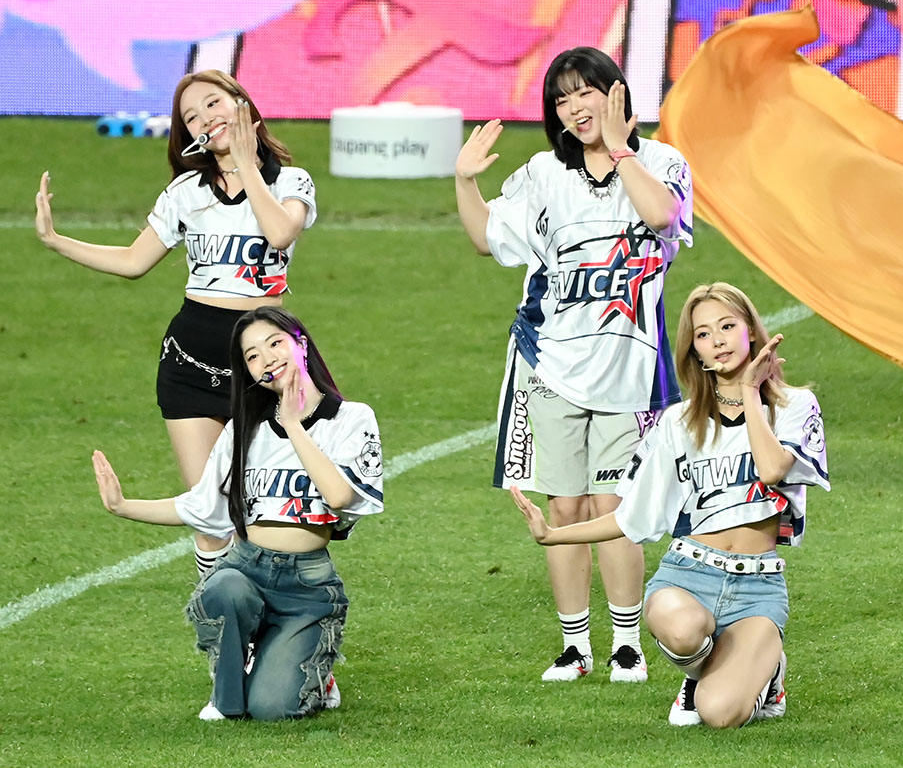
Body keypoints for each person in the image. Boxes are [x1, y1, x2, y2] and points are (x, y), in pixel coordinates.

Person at [454, 47, 693, 683]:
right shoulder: (542, 173)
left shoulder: (663, 162)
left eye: (586, 92)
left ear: (616, 94)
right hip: (551, 367)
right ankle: (574, 647)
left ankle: (627, 644)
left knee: (616, 508)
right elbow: (486, 240)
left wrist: (620, 150)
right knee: (564, 509)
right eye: (561, 99)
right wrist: (465, 182)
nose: (574, 107)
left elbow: (662, 216)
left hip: (631, 373)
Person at [35, 70, 318, 576]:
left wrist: (247, 164)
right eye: (192, 117)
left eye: (213, 104)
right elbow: (133, 261)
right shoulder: (186, 190)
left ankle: (269, 609)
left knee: (265, 512)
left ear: (241, 104)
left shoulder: (291, 181)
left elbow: (279, 233)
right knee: (210, 514)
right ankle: (221, 623)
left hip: (266, 362)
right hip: (191, 359)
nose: (205, 118)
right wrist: (57, 241)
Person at [512, 283, 829, 727]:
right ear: (694, 351)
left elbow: (773, 468)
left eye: (727, 326)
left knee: (720, 715)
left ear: (752, 332)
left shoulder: (796, 405)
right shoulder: (678, 422)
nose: (717, 341)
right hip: (688, 576)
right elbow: (632, 517)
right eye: (703, 334)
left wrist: (751, 391)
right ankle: (699, 672)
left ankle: (767, 675)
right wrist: (553, 535)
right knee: (679, 630)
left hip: (757, 588)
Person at [92, 307, 384, 720]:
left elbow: (338, 497)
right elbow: (201, 506)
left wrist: (294, 425)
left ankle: (313, 670)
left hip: (306, 586)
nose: (267, 359)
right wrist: (122, 506)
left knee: (272, 709)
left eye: (275, 343)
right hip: (247, 568)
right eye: (252, 356)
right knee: (222, 588)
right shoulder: (244, 428)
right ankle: (226, 695)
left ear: (301, 345)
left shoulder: (351, 418)